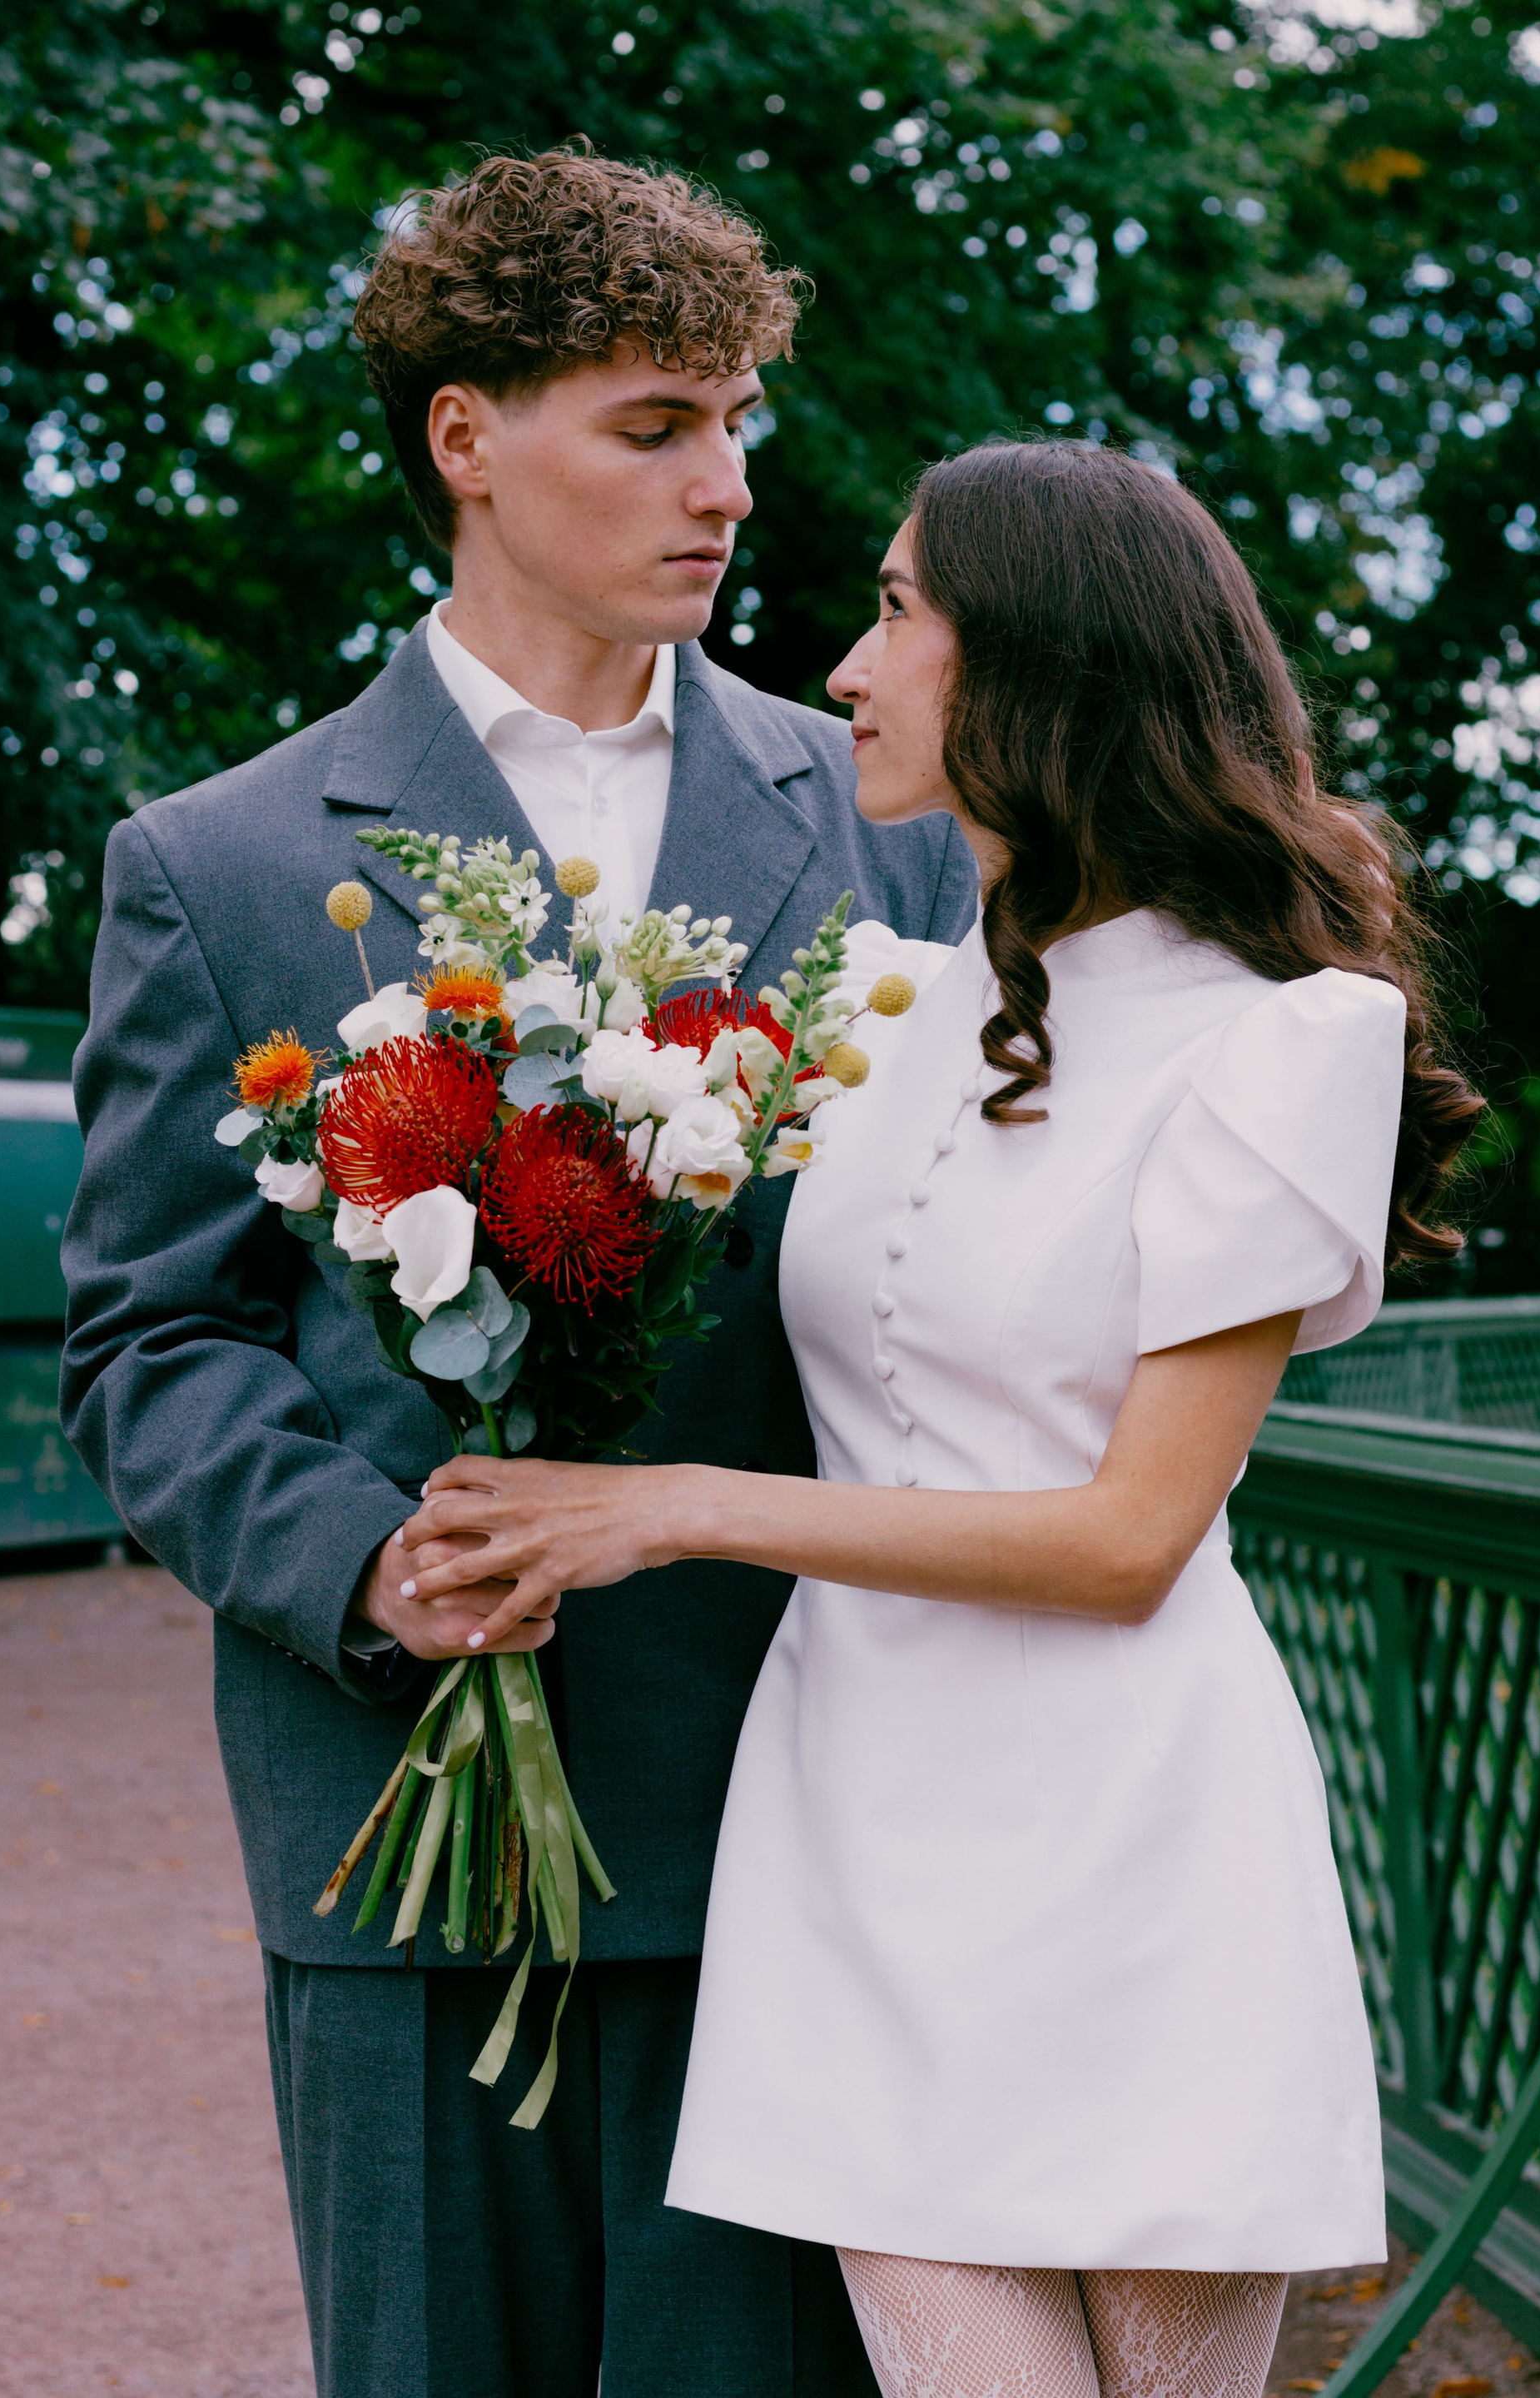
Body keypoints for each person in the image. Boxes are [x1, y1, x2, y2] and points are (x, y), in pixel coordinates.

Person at [388, 439, 1484, 2398]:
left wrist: (669, 1509)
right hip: (853, 1843)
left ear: (1040, 660)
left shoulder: (1277, 1037)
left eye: (898, 611)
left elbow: (1128, 1539)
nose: (845, 667)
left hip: (1138, 1852)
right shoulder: (880, 1003)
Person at [59, 147, 976, 2398]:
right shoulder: (215, 863)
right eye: (655, 426)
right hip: (404, 1832)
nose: (726, 486)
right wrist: (366, 1566)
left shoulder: (898, 829)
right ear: (467, 437)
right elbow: (149, 1336)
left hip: (800, 1805)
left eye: (738, 423)